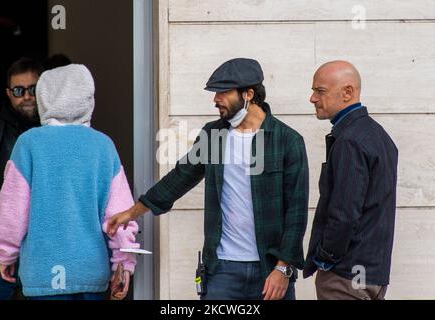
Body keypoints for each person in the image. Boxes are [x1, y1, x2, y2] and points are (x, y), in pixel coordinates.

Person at [108, 58, 309, 300]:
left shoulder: (288, 141)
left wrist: (283, 268)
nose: (215, 99)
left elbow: (297, 212)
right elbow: (179, 178)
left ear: (249, 94)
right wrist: (131, 213)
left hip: (270, 270)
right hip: (222, 270)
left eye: (223, 92)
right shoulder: (213, 135)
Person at [0, 64, 139, 300]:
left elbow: (12, 213)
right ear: (88, 97)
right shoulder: (103, 145)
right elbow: (119, 215)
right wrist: (124, 263)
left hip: (42, 274)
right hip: (91, 273)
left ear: (43, 97)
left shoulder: (28, 144)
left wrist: (5, 255)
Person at [303, 60, 398, 300]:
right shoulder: (379, 136)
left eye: (320, 91)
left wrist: (325, 258)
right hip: (372, 275)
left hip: (346, 277)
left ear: (348, 92)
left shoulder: (350, 140)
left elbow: (344, 213)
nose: (312, 98)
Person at [0, 57, 42, 300]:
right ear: (9, 94)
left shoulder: (54, 133)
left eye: (34, 89)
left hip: (43, 250)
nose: (27, 96)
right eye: (19, 90)